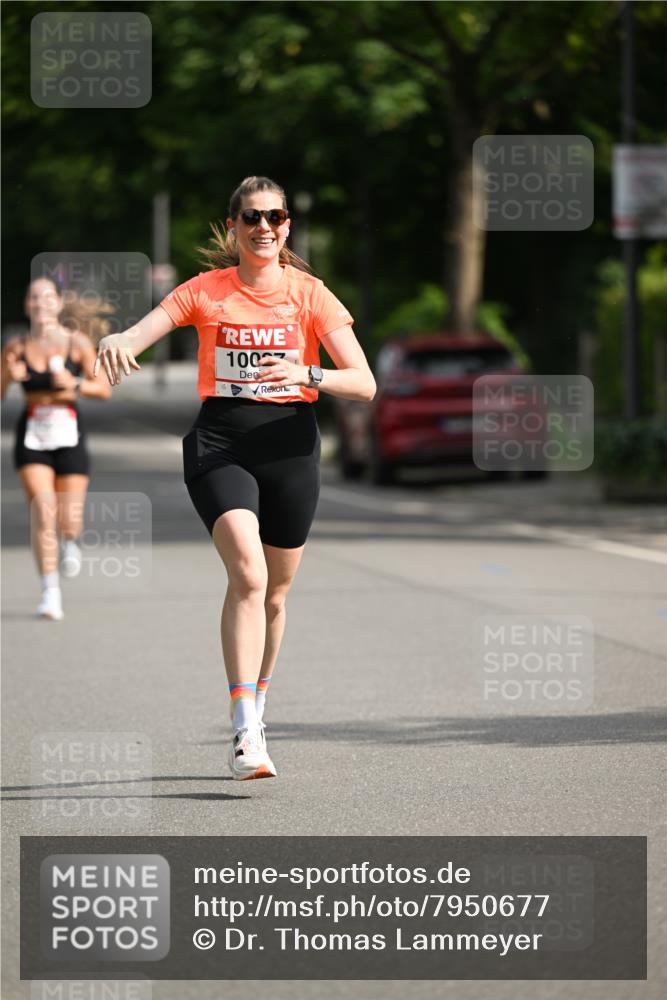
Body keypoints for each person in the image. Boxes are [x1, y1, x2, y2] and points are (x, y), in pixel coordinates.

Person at [94, 175, 376, 780]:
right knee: (246, 572)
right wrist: (119, 336)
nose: (264, 227)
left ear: (287, 227)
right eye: (251, 218)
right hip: (220, 443)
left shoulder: (309, 295)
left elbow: (365, 382)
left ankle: (260, 699)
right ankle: (245, 725)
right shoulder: (206, 291)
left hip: (291, 448)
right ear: (233, 227)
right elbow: (141, 332)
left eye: (274, 217)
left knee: (275, 593)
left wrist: (307, 371)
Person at [1, 277, 112, 620]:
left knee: (68, 518)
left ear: (58, 303)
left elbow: (102, 388)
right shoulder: (16, 347)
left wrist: (75, 383)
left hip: (69, 433)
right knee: (43, 509)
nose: (41, 303)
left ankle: (70, 541)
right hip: (33, 433)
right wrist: (8, 374)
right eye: (34, 297)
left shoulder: (76, 343)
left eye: (47, 297)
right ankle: (50, 593)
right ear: (27, 305)